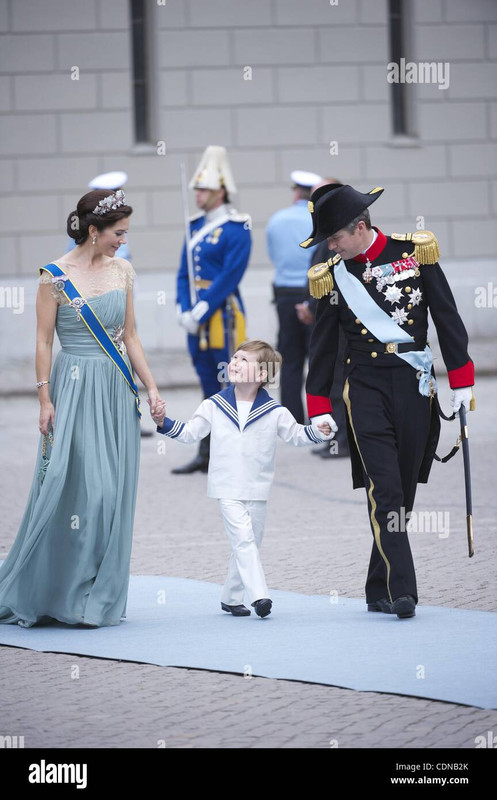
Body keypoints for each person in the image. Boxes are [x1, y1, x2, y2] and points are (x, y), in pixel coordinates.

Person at [301, 183, 474, 619]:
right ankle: (404, 589)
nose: (331, 247)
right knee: (386, 488)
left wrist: (461, 379)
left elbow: (446, 315)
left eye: (335, 238)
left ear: (360, 227)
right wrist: (319, 405)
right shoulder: (333, 275)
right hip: (364, 389)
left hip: (415, 385)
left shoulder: (415, 253)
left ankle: (377, 584)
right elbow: (321, 347)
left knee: (404, 490)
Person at [0, 189, 163, 628]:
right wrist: (43, 397)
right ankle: (58, 591)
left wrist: (151, 388)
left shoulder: (123, 271)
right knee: (76, 491)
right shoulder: (53, 276)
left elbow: (130, 335)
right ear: (93, 231)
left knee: (110, 495)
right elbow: (42, 341)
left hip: (114, 391)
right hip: (72, 388)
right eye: (117, 233)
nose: (122, 241)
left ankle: (94, 594)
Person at [152, 339, 330, 618]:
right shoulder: (214, 405)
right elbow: (190, 433)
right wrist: (164, 422)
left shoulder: (275, 412)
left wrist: (320, 431)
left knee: (248, 544)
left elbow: (296, 435)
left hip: (258, 488)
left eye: (243, 361)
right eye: (234, 358)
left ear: (262, 375)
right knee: (244, 540)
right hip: (226, 487)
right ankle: (260, 596)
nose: (234, 363)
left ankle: (231, 596)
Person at [173, 145, 251, 474]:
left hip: (223, 316)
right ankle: (208, 452)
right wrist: (182, 308)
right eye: (196, 189)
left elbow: (230, 275)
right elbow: (183, 273)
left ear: (220, 191)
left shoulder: (238, 227)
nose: (197, 195)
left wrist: (201, 310)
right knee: (207, 382)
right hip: (196, 316)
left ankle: (236, 451)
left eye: (203, 189)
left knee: (229, 382)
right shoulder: (192, 226)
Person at [295, 177, 350, 459]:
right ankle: (336, 437)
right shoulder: (325, 230)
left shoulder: (343, 231)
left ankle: (343, 440)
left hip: (340, 318)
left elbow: (334, 276)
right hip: (324, 313)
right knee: (329, 376)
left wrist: (312, 305)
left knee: (339, 379)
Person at [266, 170, 322, 423]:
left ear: (297, 192)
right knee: (319, 359)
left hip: (285, 294)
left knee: (290, 360)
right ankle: (320, 414)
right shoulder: (319, 219)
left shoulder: (276, 219)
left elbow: (273, 254)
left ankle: (292, 418)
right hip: (314, 293)